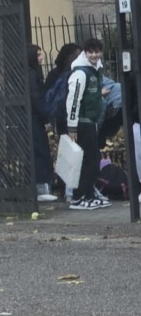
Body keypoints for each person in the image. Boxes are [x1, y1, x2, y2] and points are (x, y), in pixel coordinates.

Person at [65, 37, 110, 210]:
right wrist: (72, 126)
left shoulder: (94, 71)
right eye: (91, 51)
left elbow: (86, 96)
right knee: (88, 161)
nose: (94, 55)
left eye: (97, 51)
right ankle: (78, 196)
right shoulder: (80, 73)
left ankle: (88, 195)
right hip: (83, 123)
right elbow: (73, 100)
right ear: (85, 52)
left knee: (91, 160)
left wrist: (99, 95)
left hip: (90, 121)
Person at [27, 45, 57, 203]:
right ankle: (41, 187)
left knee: (39, 151)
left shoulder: (29, 74)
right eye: (38, 55)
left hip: (33, 118)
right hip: (36, 119)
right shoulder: (32, 75)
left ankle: (42, 186)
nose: (41, 58)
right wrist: (46, 118)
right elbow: (37, 98)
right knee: (40, 151)